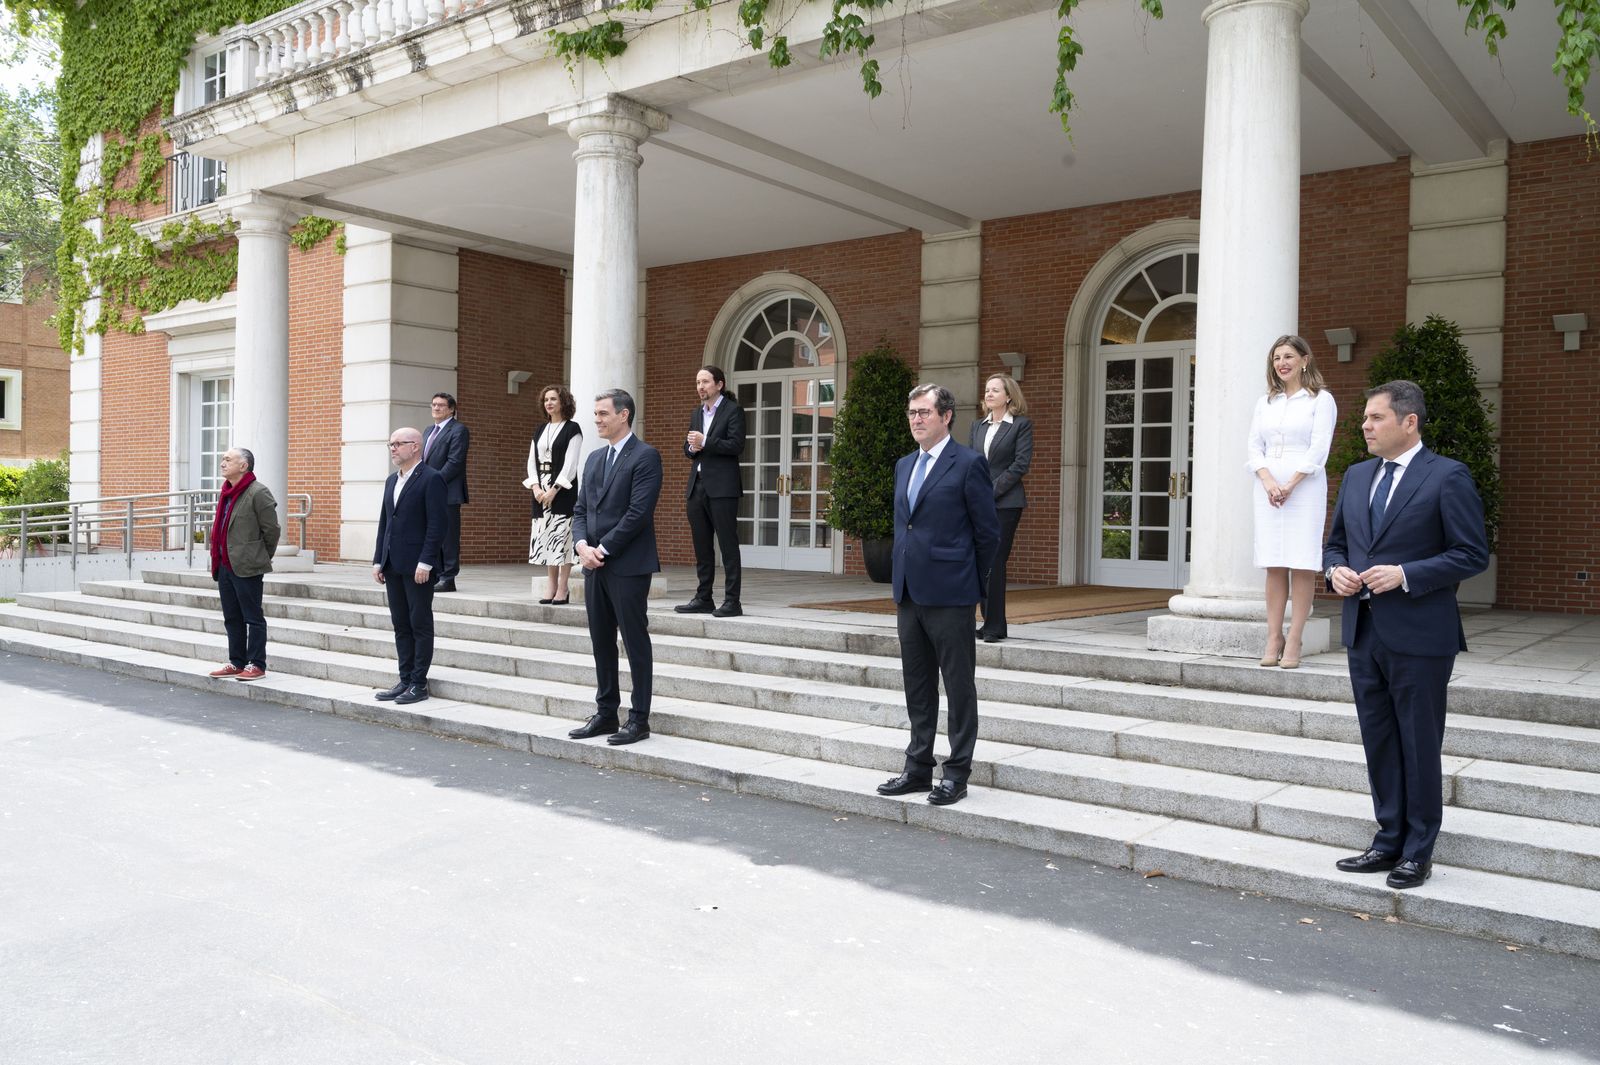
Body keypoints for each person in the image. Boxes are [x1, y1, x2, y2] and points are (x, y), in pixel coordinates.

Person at [1323, 380, 1488, 890]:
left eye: (1375, 418)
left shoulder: (1447, 476)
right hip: (1364, 630)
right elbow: (1335, 546)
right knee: (1379, 740)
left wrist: (1406, 574)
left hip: (1420, 635)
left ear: (1408, 421)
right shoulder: (1355, 476)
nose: (1365, 427)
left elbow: (1471, 553)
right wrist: (1336, 573)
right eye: (1365, 419)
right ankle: (1387, 839)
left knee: (1418, 743)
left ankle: (1419, 850)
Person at [875, 383, 1000, 806]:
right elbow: (904, 527)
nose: (916, 419)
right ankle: (917, 768)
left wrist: (972, 586)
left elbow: (987, 533)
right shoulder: (904, 464)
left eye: (924, 412)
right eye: (912, 412)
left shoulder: (968, 464)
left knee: (958, 685)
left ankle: (957, 773)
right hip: (909, 592)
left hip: (951, 593)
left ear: (946, 416)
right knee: (918, 684)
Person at [568, 389, 662, 747]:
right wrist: (581, 547)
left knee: (634, 641)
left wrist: (602, 549)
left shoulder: (646, 457)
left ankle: (639, 719)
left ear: (624, 415)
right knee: (601, 641)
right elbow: (580, 510)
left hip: (627, 565)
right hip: (593, 565)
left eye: (603, 413)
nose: (597, 419)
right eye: (595, 414)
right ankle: (606, 713)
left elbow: (638, 514)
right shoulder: (593, 459)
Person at [1246, 335, 1337, 669]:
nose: (1281, 363)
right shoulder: (1264, 402)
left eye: (1287, 356)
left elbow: (1319, 448)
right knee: (1274, 562)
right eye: (1275, 358)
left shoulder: (1320, 400)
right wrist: (1270, 482)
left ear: (1304, 359)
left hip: (1305, 488)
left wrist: (1291, 483)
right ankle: (1274, 636)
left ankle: (1295, 636)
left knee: (1301, 561)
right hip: (1268, 488)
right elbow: (1254, 446)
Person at [373, 427, 448, 706]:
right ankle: (404, 679)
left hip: (419, 566)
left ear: (415, 446)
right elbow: (385, 523)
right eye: (390, 443)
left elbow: (437, 525)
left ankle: (419, 683)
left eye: (398, 443)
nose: (393, 448)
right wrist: (378, 559)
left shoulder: (432, 479)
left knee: (419, 623)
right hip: (393, 563)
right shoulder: (391, 481)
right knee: (400, 624)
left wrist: (426, 561)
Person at [677, 365, 746, 618]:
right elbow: (688, 448)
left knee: (728, 545)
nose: (700, 387)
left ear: (719, 384)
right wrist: (692, 448)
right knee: (702, 546)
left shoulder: (733, 411)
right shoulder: (697, 413)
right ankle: (704, 597)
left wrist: (705, 442)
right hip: (697, 486)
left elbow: (736, 445)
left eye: (705, 382)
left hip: (723, 488)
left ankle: (732, 601)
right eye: (697, 382)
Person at [207, 447, 280, 682]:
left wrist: (259, 556)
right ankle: (236, 662)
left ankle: (256, 664)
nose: (222, 462)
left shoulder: (258, 492)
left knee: (253, 617)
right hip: (225, 565)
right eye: (222, 459)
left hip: (247, 565)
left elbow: (272, 531)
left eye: (228, 459)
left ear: (243, 466)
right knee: (232, 617)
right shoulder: (226, 492)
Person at [970, 373, 1033, 643]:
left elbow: (1020, 465)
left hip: (1005, 503)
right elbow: (971, 463)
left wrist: (989, 492)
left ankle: (995, 626)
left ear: (1009, 396)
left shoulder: (1020, 425)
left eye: (995, 390)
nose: (989, 394)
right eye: (987, 390)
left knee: (995, 561)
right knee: (982, 563)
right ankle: (988, 623)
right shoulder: (977, 426)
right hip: (978, 504)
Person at [525, 384, 583, 605]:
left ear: (563, 402)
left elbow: (571, 464)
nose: (548, 403)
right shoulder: (540, 430)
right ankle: (550, 586)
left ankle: (562, 587)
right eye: (546, 399)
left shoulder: (573, 429)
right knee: (546, 537)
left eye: (553, 399)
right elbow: (532, 461)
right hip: (541, 489)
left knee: (562, 537)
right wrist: (536, 487)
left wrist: (554, 489)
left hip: (563, 489)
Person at [422, 391, 470, 592]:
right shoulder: (427, 431)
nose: (436, 408)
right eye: (433, 404)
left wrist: (434, 482)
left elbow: (455, 462)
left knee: (448, 536)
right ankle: (437, 573)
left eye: (441, 405)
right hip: (429, 491)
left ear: (451, 409)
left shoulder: (458, 430)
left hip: (448, 492)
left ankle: (448, 577)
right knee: (433, 533)